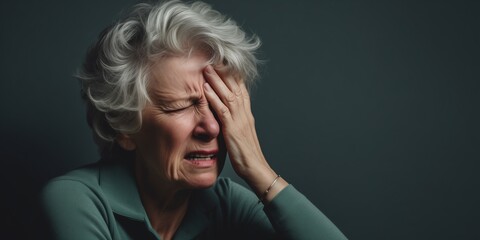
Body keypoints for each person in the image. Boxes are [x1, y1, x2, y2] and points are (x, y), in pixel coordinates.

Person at [41, 1, 347, 239]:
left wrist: (258, 170)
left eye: (220, 105)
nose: (212, 127)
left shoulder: (226, 204)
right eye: (179, 107)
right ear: (123, 126)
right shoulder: (76, 200)